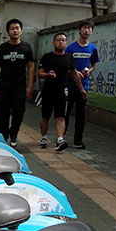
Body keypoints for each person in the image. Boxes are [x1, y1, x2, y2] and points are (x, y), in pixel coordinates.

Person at [0, 18, 35, 148]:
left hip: (20, 86)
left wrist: (30, 86)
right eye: (12, 28)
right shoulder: (2, 48)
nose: (15, 30)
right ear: (8, 32)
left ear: (21, 30)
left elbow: (31, 66)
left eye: (17, 28)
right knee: (2, 113)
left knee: (18, 112)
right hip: (4, 86)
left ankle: (14, 132)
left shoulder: (26, 47)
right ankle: (3, 135)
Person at [37, 32, 82, 152]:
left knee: (61, 117)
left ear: (66, 43)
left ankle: (60, 139)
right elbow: (40, 72)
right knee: (45, 116)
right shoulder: (47, 57)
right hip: (47, 91)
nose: (61, 42)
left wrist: (81, 89)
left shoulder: (69, 58)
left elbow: (74, 73)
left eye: (63, 40)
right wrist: (47, 74)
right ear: (53, 43)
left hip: (62, 91)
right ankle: (44, 138)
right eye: (58, 40)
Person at [65, 20, 99, 149]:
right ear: (79, 30)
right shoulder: (71, 48)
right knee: (65, 114)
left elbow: (94, 65)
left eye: (89, 28)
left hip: (84, 87)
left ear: (92, 31)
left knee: (80, 115)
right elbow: (66, 65)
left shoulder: (93, 48)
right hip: (70, 85)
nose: (86, 31)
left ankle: (78, 140)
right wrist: (75, 72)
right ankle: (61, 138)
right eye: (84, 28)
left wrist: (88, 71)